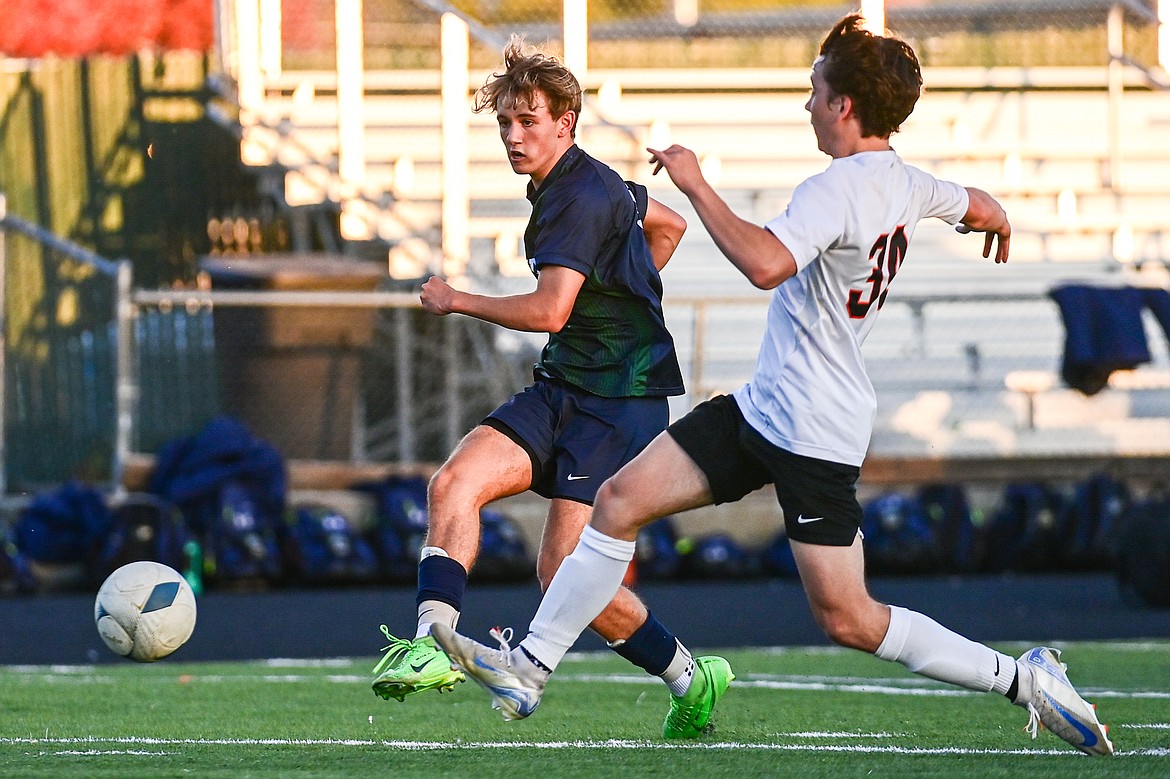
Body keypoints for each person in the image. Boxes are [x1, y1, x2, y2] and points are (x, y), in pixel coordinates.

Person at [431, 14, 1114, 756]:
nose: (807, 104)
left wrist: (694, 184)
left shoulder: (838, 190)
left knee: (849, 618)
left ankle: (1025, 678)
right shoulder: (907, 180)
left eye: (816, 90)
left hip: (814, 430)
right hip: (766, 408)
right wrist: (996, 213)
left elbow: (763, 263)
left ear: (844, 106)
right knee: (618, 503)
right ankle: (529, 668)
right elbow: (969, 200)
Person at [371, 36, 735, 739]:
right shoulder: (586, 181)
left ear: (565, 124)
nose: (513, 135)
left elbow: (548, 312)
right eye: (505, 121)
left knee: (566, 574)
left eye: (528, 121)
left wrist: (456, 299)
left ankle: (692, 676)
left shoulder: (573, 195)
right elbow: (668, 223)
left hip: (621, 403)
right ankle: (432, 643)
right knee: (453, 484)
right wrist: (630, 287)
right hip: (564, 384)